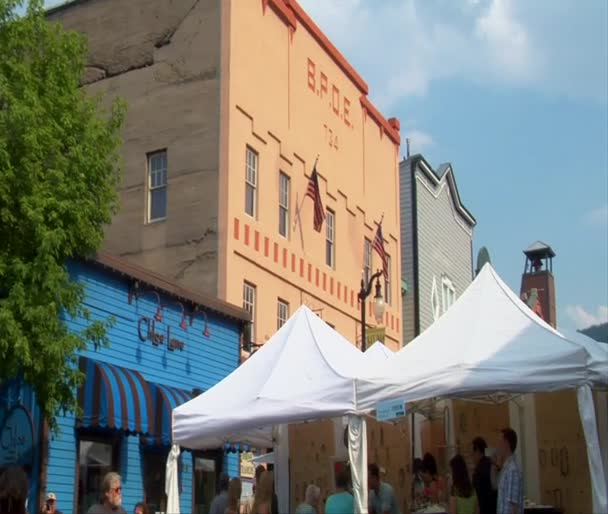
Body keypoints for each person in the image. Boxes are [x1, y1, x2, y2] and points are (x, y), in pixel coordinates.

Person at [496, 428, 524, 514]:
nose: (498, 445)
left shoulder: (512, 470)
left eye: (500, 441)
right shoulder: (506, 468)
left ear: (506, 443)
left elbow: (513, 506)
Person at [471, 437, 497, 514]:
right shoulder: (492, 464)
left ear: (478, 451)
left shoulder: (479, 471)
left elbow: (477, 495)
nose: (472, 457)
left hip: (484, 509)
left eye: (472, 454)